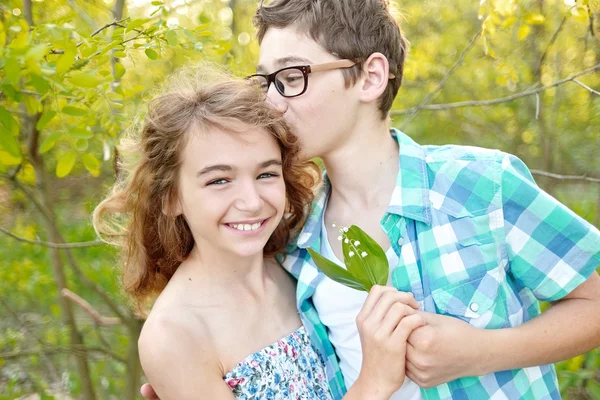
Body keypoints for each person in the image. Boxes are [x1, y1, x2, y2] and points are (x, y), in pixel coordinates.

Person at [142, 0, 600, 399]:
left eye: (292, 76)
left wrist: (481, 353)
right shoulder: (293, 241)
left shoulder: (479, 184)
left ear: (370, 77)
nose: (272, 103)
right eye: (266, 82)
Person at [93, 66, 426, 400]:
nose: (252, 203)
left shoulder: (297, 261)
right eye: (219, 181)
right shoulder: (174, 335)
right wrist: (375, 382)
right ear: (170, 197)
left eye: (266, 174)